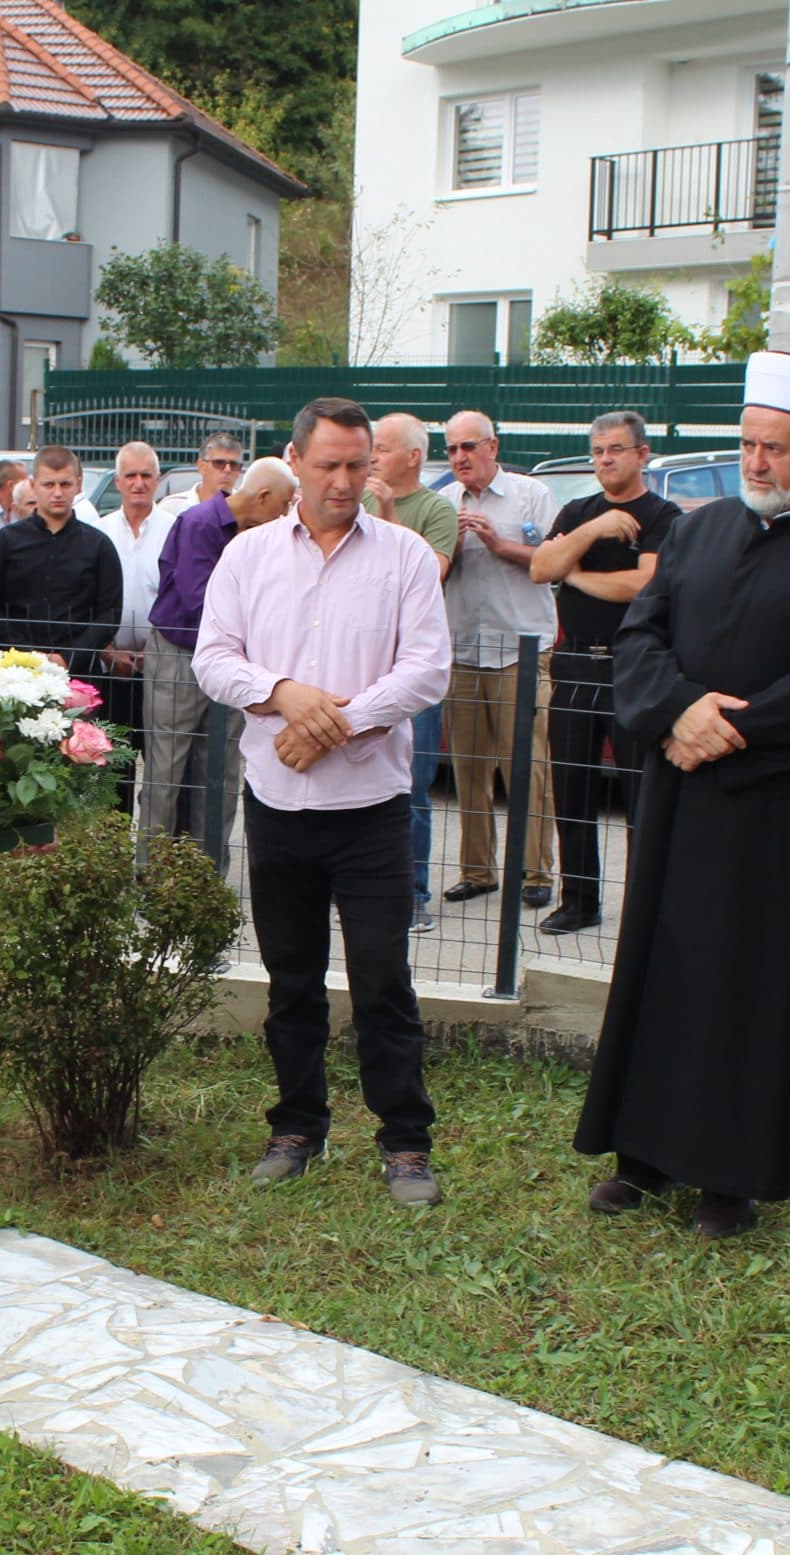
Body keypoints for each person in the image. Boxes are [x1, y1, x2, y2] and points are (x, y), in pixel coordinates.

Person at [575, 352, 790, 1239]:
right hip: (679, 795)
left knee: (750, 982)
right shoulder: (698, 531)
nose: (756, 461)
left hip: (773, 810)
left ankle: (730, 1175)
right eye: (749, 443)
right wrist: (677, 711)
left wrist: (726, 730)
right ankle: (642, 1154)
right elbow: (641, 637)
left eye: (775, 448)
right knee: (664, 967)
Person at [197, 398, 450, 1206]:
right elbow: (212, 658)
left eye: (357, 465)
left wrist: (334, 725)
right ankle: (297, 1126)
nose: (344, 480)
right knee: (292, 980)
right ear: (296, 460)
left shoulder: (405, 556)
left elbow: (427, 669)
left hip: (371, 809)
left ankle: (405, 1141)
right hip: (278, 805)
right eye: (329, 464)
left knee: (382, 980)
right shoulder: (248, 556)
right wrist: (285, 693)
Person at [529, 410, 680, 936]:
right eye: (597, 451)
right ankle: (578, 900)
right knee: (571, 789)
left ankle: (644, 905)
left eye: (616, 449)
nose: (605, 460)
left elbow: (642, 586)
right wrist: (593, 529)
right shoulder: (578, 511)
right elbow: (540, 567)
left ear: (642, 454)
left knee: (641, 793)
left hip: (632, 668)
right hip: (574, 665)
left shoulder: (663, 516)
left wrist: (576, 574)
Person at [140, 457, 294, 853]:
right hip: (179, 656)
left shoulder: (260, 535)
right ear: (263, 496)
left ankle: (208, 873)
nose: (286, 516)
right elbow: (201, 601)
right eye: (283, 505)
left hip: (235, 661)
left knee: (221, 773)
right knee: (165, 772)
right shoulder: (199, 524)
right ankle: (150, 876)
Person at [439, 409, 560, 911]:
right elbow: (425, 575)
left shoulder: (532, 495)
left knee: (527, 766)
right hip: (464, 649)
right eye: (451, 449)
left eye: (469, 446)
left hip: (520, 650)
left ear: (493, 447)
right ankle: (477, 871)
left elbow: (554, 562)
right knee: (468, 770)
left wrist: (498, 544)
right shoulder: (444, 502)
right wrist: (450, 547)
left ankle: (535, 873)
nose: (460, 457)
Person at [366, 414, 461, 933]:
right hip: (364, 663)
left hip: (411, 667)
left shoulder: (436, 509)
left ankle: (414, 893)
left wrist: (385, 513)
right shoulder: (355, 502)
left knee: (412, 783)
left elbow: (431, 571)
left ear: (413, 456)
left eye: (383, 448)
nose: (373, 457)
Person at [0, 446, 121, 682]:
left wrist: (70, 657)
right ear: (33, 485)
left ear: (78, 485)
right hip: (15, 675)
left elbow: (110, 614)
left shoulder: (99, 546)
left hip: (80, 675)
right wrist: (25, 656)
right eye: (49, 484)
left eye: (65, 484)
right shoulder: (5, 543)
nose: (57, 493)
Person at [92, 442, 176, 807]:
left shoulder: (175, 531)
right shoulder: (100, 532)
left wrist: (153, 652)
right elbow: (89, 598)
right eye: (130, 475)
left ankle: (156, 841)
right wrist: (107, 651)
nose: (138, 483)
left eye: (146, 475)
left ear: (157, 479)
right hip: (110, 670)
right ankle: (115, 838)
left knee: (162, 770)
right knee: (114, 770)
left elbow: (179, 598)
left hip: (161, 670)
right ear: (118, 481)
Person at [159, 432, 247, 517]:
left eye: (234, 465)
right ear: (201, 466)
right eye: (219, 463)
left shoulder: (247, 509)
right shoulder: (172, 508)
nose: (227, 470)